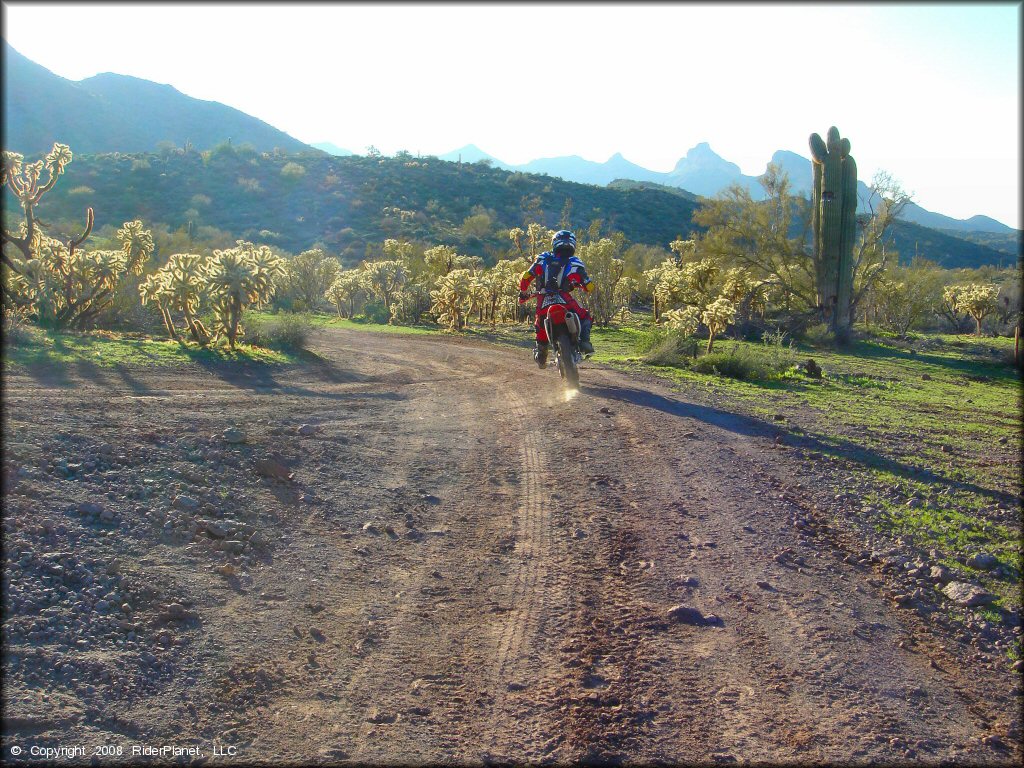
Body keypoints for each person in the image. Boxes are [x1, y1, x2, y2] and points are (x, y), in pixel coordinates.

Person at [518, 230, 595, 368]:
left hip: (543, 300)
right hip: (564, 299)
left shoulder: (542, 258)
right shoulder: (575, 262)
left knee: (539, 324)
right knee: (585, 315)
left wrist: (523, 291)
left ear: (554, 243)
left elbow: (526, 277)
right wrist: (580, 285)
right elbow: (589, 285)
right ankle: (585, 342)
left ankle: (542, 354)